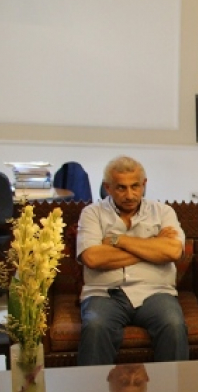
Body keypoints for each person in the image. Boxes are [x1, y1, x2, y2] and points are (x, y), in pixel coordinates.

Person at [76, 156, 189, 366]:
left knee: (173, 324)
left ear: (144, 184)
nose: (129, 195)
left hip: (155, 292)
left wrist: (118, 241)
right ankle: (93, 388)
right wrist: (153, 245)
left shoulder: (163, 212)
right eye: (121, 188)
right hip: (105, 293)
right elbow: (92, 257)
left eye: (135, 186)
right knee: (95, 327)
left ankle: (172, 387)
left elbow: (174, 251)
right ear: (108, 188)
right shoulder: (92, 213)